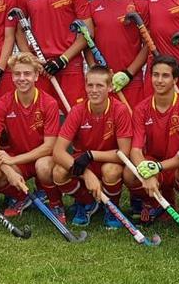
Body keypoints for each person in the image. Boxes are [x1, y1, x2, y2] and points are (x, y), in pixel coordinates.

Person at [53, 65, 133, 228]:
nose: (94, 90)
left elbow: (124, 152)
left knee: (111, 171)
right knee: (58, 171)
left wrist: (91, 155)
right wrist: (86, 173)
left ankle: (112, 206)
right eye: (90, 85)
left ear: (110, 87)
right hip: (83, 162)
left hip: (107, 160)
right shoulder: (77, 110)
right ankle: (87, 202)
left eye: (100, 86)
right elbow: (58, 151)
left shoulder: (120, 110)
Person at [17, 0, 92, 106]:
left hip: (70, 67)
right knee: (41, 119)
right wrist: (30, 57)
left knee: (73, 119)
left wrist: (63, 59)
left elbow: (88, 32)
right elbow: (18, 30)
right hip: (41, 68)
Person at [125, 55, 179, 223]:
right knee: (130, 173)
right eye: (155, 75)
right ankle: (153, 203)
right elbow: (135, 150)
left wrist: (157, 167)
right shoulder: (141, 108)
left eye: (165, 76)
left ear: (175, 79)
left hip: (176, 165)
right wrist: (146, 171)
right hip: (153, 161)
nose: (159, 80)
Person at [0, 52, 60, 218]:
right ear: (11, 77)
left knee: (44, 167)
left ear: (36, 76)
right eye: (17, 74)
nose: (22, 78)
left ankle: (56, 203)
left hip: (42, 157)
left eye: (27, 73)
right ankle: (22, 197)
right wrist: (9, 170)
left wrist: (13, 161)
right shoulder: (3, 103)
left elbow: (49, 147)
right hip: (18, 158)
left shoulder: (49, 103)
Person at [90, 0, 150, 107]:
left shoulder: (141, 4)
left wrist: (128, 74)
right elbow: (87, 44)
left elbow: (148, 45)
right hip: (102, 85)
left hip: (131, 83)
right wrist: (95, 74)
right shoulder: (93, 6)